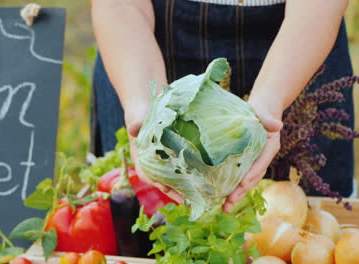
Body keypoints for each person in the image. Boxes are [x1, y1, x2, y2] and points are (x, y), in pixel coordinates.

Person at [90, 0, 354, 212]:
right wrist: (143, 105)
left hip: (300, 47)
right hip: (141, 49)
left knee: (307, 223)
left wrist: (269, 103)